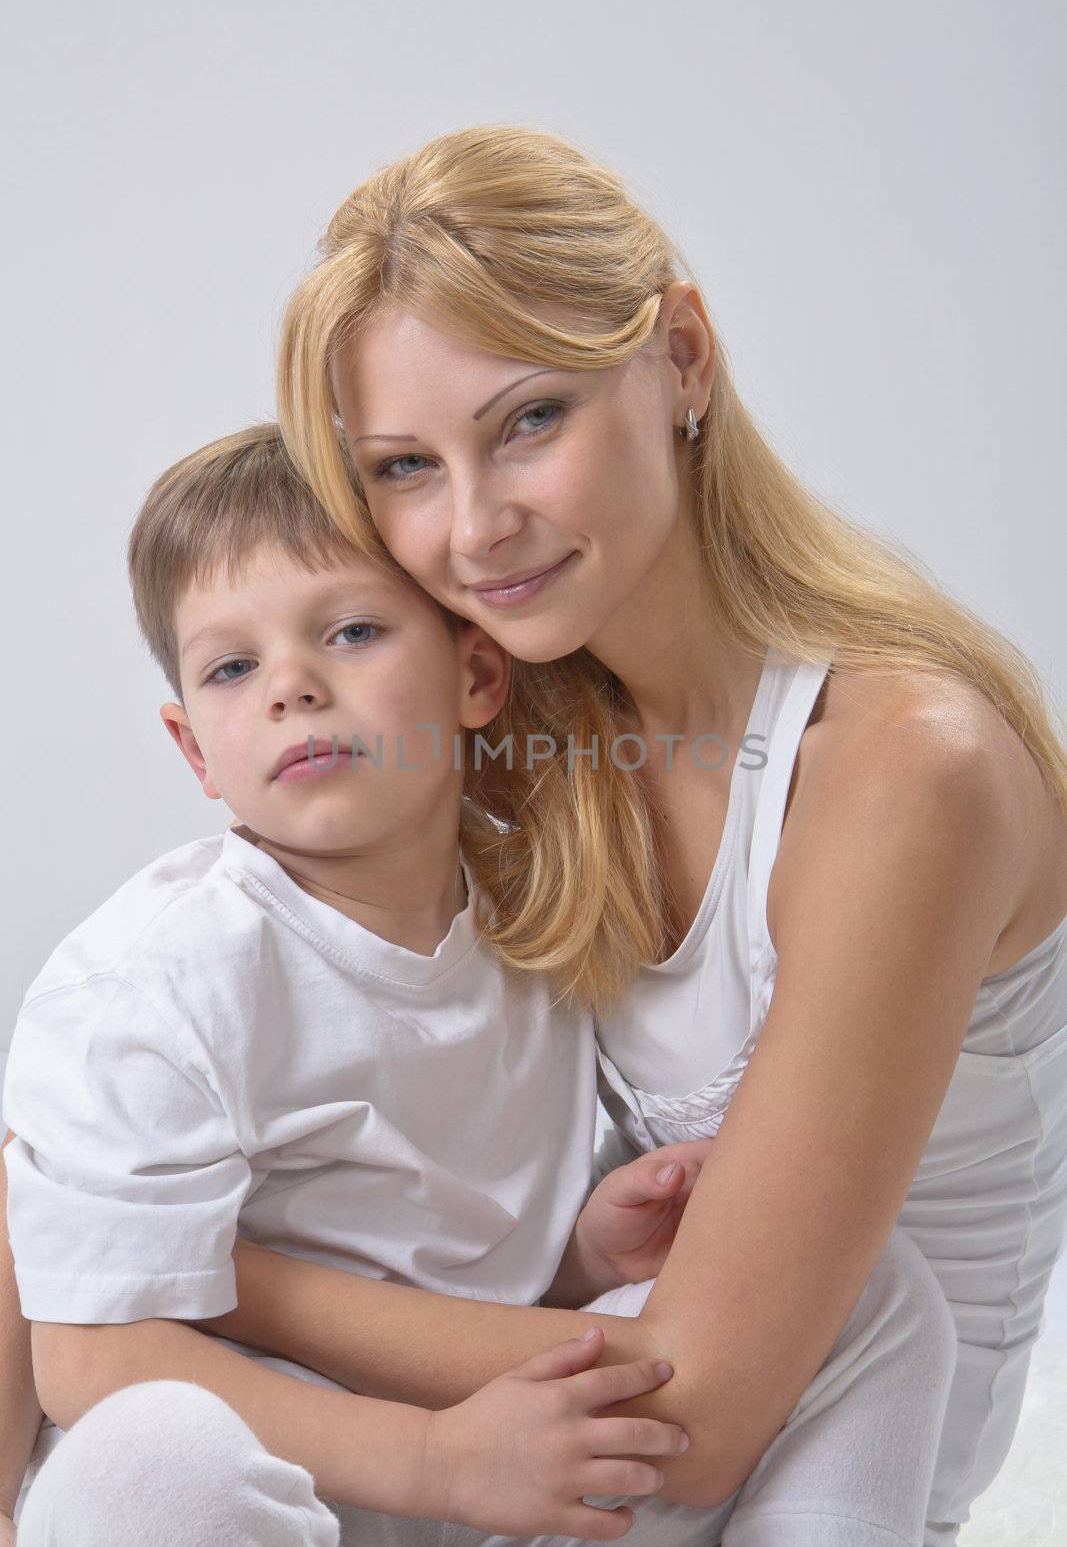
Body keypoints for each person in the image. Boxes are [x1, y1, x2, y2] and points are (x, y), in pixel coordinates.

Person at [222, 122, 1065, 1546]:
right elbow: (170, 996)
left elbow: (698, 1407)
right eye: (404, 468)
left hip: (818, 1460)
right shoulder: (530, 747)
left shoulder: (895, 772)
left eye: (526, 421)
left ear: (680, 356)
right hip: (573, 1410)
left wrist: (204, 1284)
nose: (475, 527)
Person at [0, 425, 959, 1547]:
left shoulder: (531, 912)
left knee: (872, 1292)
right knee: (151, 1458)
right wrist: (429, 1461)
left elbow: (445, 1262)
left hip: (501, 1477)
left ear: (474, 674)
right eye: (231, 668)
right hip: (281, 1477)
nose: (292, 689)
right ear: (195, 752)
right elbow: (92, 1357)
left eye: (351, 632)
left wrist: (579, 1258)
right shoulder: (155, 981)